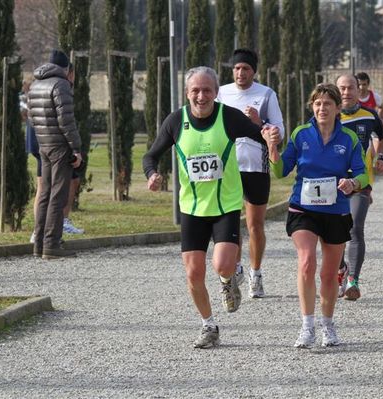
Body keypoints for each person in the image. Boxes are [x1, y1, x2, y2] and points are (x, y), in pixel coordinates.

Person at [142, 66, 279, 349]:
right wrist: (152, 175)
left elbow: (259, 135)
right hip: (192, 208)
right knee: (193, 273)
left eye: (207, 90)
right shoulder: (176, 121)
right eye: (195, 90)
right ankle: (208, 325)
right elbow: (151, 154)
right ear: (187, 93)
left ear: (216, 93)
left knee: (222, 264)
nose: (201, 96)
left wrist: (270, 136)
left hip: (225, 205)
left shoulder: (228, 117)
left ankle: (230, 279)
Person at [265, 83, 369, 348]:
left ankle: (328, 324)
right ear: (312, 107)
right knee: (307, 262)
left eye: (328, 104)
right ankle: (307, 326)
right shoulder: (301, 135)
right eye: (318, 103)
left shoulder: (349, 139)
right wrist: (272, 148)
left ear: (337, 109)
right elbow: (281, 170)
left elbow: (362, 173)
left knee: (328, 273)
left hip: (335, 210)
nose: (322, 108)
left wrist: (352, 184)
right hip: (304, 208)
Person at [216, 48, 285, 299]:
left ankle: (256, 274)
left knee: (255, 225)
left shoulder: (266, 94)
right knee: (231, 224)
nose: (240, 73)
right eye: (236, 68)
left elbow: (280, 131)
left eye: (245, 68)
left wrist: (260, 123)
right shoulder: (221, 93)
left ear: (254, 71)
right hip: (227, 169)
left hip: (256, 166)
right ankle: (236, 269)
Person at [335, 74, 383, 301]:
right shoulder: (325, 114)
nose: (346, 93)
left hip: (361, 183)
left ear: (359, 91)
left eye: (350, 88)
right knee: (334, 234)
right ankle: (340, 270)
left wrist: (382, 157)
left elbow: (382, 137)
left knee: (355, 229)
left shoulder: (369, 116)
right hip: (332, 184)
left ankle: (352, 281)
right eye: (341, 88)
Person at [27, 49, 82, 259]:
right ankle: (52, 244)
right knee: (58, 195)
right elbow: (66, 120)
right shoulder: (61, 85)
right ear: (67, 69)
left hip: (43, 143)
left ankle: (39, 243)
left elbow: (31, 117)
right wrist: (76, 148)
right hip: (60, 146)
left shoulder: (35, 84)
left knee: (44, 194)